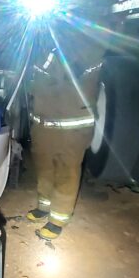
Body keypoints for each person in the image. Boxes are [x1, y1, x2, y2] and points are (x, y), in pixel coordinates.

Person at [26, 37, 103, 240]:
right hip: (44, 126)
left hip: (72, 129)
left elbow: (63, 72)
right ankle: (44, 207)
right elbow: (35, 81)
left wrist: (53, 50)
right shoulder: (47, 48)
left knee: (66, 173)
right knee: (45, 168)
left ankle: (58, 220)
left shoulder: (89, 50)